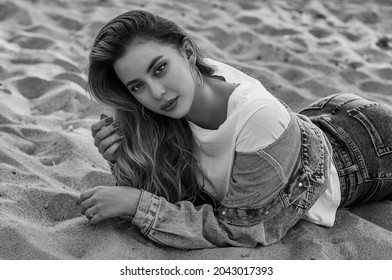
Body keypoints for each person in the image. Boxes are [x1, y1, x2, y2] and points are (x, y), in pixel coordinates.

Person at [76, 10, 392, 249]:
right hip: (317, 119)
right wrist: (120, 157)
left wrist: (136, 204)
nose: (156, 92)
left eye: (160, 68)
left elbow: (240, 229)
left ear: (187, 52)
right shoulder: (173, 101)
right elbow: (174, 189)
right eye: (137, 86)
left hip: (367, 153)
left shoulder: (256, 116)